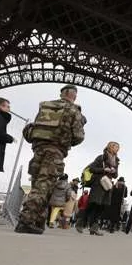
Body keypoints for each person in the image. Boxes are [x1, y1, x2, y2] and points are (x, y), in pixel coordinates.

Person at [15, 85, 85, 234]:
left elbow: (34, 128)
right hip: (55, 152)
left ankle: (38, 221)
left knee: (38, 185)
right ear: (74, 96)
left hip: (38, 149)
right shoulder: (73, 110)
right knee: (44, 186)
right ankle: (26, 221)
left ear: (62, 93)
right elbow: (79, 137)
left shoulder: (45, 106)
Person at [77, 142, 120, 236]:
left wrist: (114, 171)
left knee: (102, 206)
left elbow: (116, 175)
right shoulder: (101, 157)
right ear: (110, 147)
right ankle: (80, 222)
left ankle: (94, 227)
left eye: (118, 147)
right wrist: (104, 170)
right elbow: (92, 168)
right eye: (115, 147)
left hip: (107, 184)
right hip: (98, 183)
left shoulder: (116, 160)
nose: (117, 149)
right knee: (93, 204)